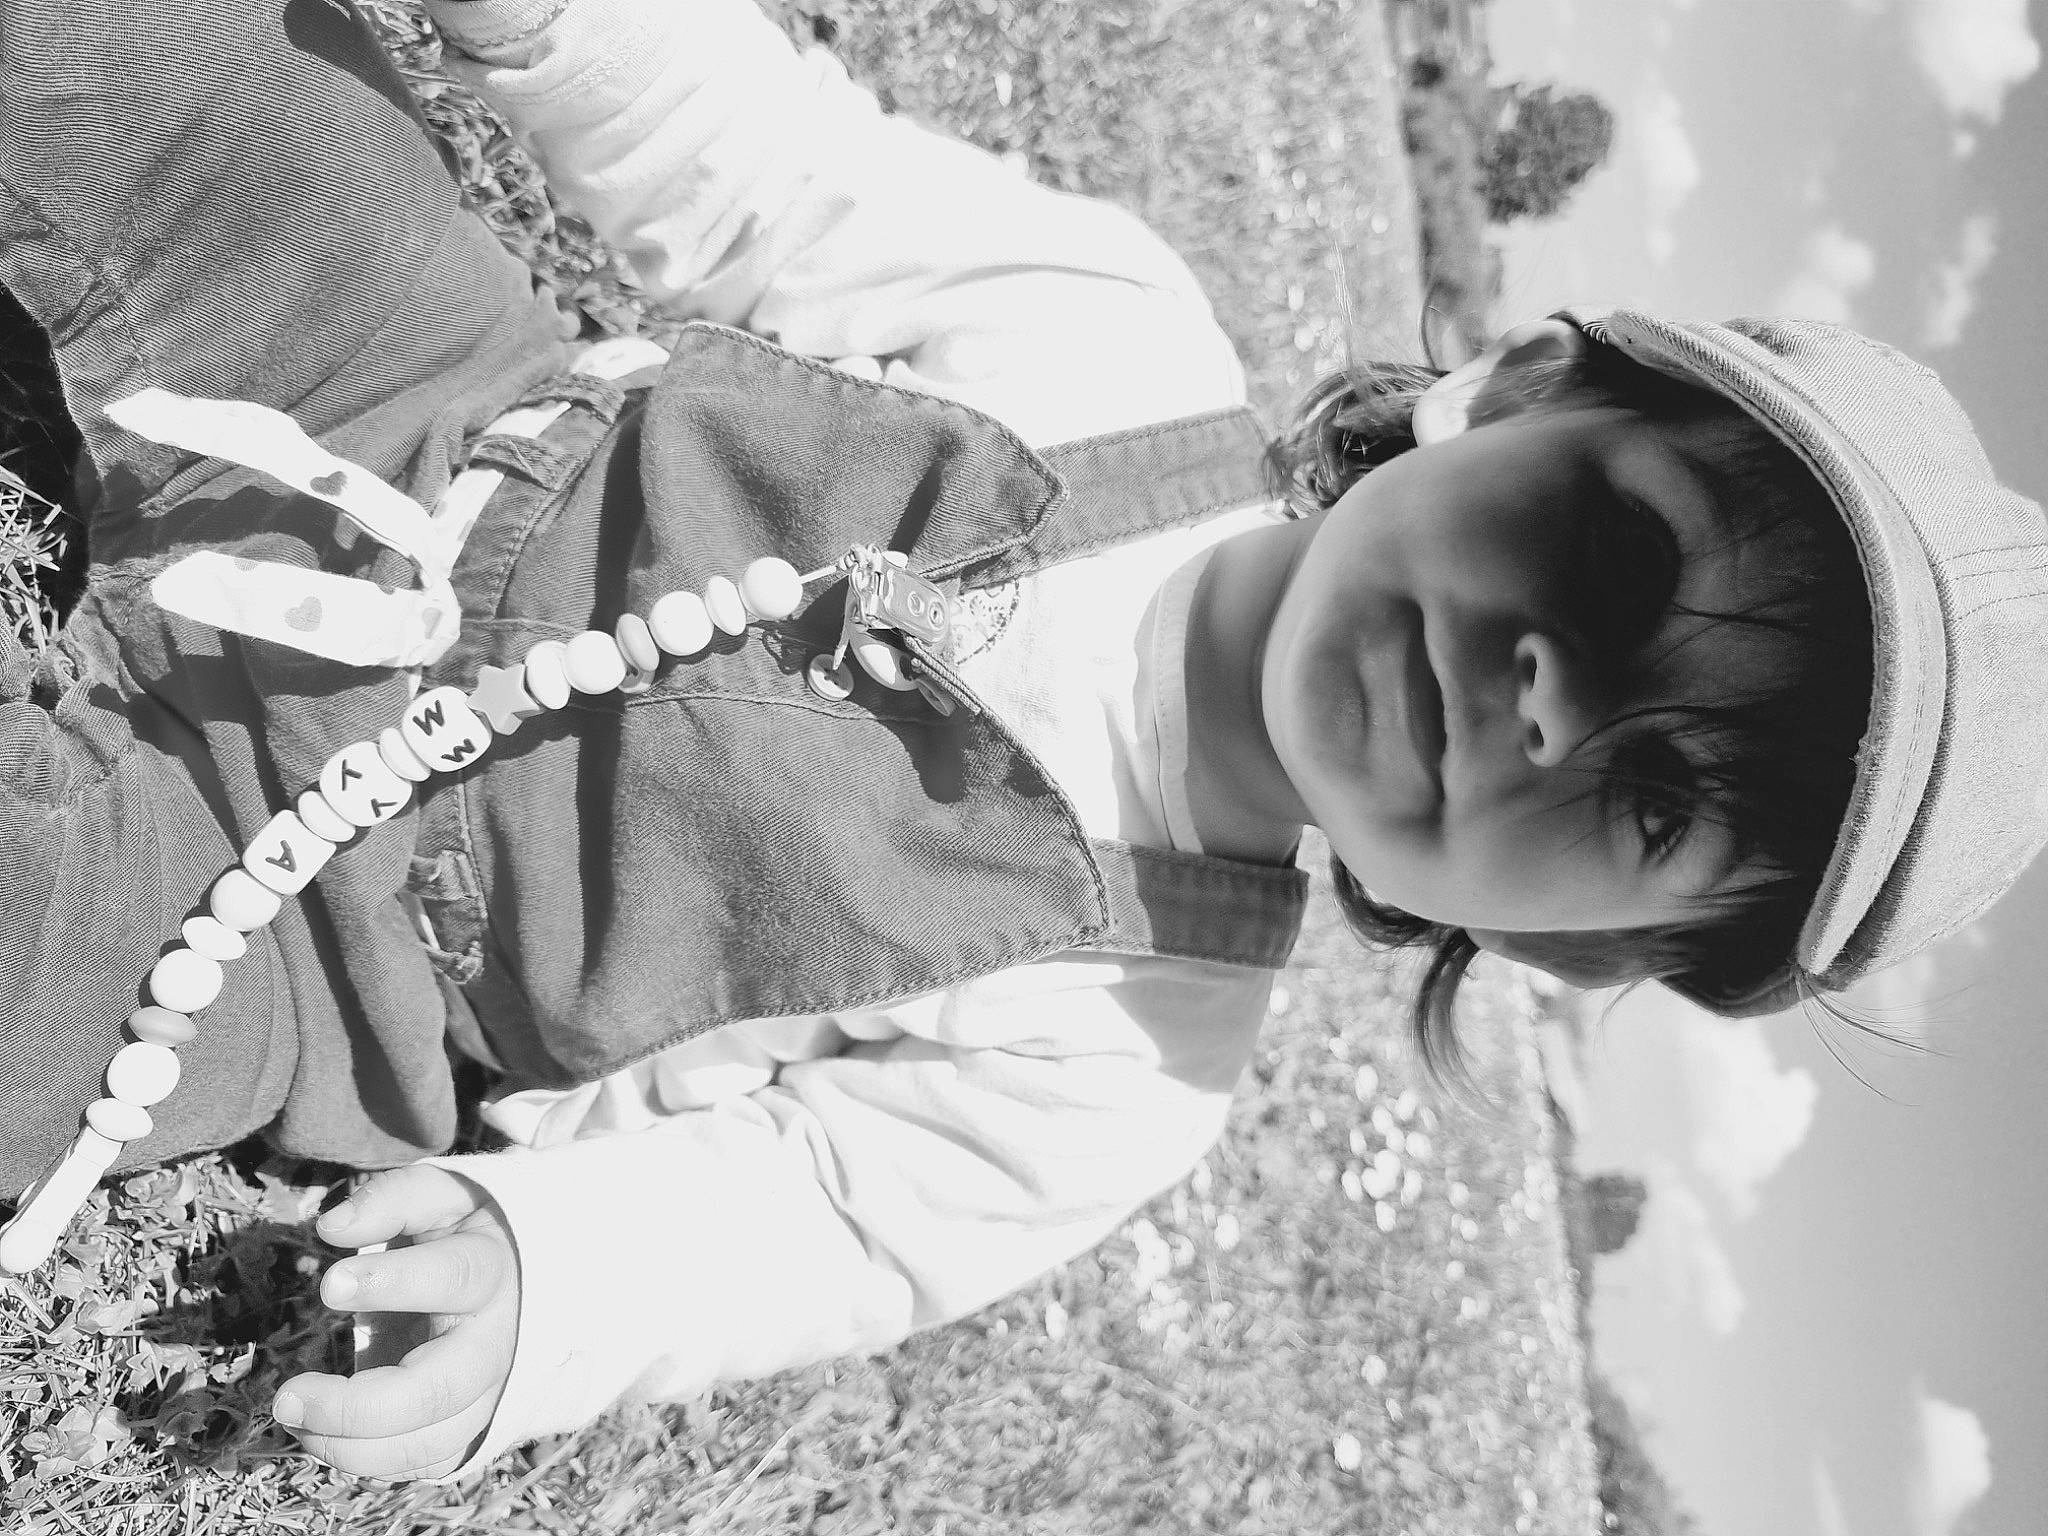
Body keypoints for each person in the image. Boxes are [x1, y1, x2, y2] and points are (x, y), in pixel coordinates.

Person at [0, 0, 2042, 1486]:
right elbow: (765, 175)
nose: (1544, 696)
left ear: (1581, 952)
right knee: (172, 70)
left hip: (320, 940)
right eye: (1603, 560)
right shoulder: (1105, 343)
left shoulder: (1132, 1059)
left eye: (1655, 794)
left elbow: (818, 1213)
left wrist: (553, 1285)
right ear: (1505, 392)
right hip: (420, 413)